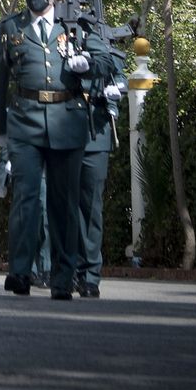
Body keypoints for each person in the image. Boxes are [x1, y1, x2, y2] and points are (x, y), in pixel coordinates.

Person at [0, 0, 111, 299]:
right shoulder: (10, 27)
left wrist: (87, 65)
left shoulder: (78, 26)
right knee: (25, 200)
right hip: (25, 122)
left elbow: (108, 62)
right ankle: (20, 272)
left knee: (63, 203)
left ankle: (62, 278)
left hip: (67, 120)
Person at [76, 40, 127, 298]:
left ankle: (89, 274)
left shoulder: (101, 45)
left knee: (91, 208)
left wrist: (116, 91)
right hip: (61, 130)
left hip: (95, 133)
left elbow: (118, 75)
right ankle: (65, 268)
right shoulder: (52, 35)